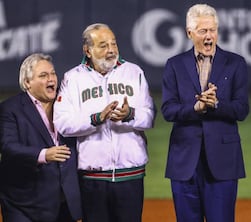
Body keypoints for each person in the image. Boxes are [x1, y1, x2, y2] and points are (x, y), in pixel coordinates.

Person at [53, 23, 155, 222]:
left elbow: (150, 116)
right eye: (103, 45)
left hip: (130, 174)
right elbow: (62, 123)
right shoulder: (73, 79)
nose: (111, 50)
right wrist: (96, 119)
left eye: (113, 44)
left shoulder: (134, 72)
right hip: (93, 177)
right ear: (87, 50)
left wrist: (130, 114)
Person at [161, 3, 249, 222]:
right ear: (190, 33)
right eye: (203, 31)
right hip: (184, 162)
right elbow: (168, 110)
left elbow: (242, 109)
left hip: (222, 162)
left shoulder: (236, 63)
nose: (209, 36)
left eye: (213, 30)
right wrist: (195, 108)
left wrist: (217, 104)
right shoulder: (174, 65)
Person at [0, 53, 82, 222]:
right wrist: (44, 154)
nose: (51, 79)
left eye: (52, 74)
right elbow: (8, 147)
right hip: (24, 204)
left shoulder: (67, 103)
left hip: (64, 199)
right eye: (43, 75)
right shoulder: (10, 109)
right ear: (27, 82)